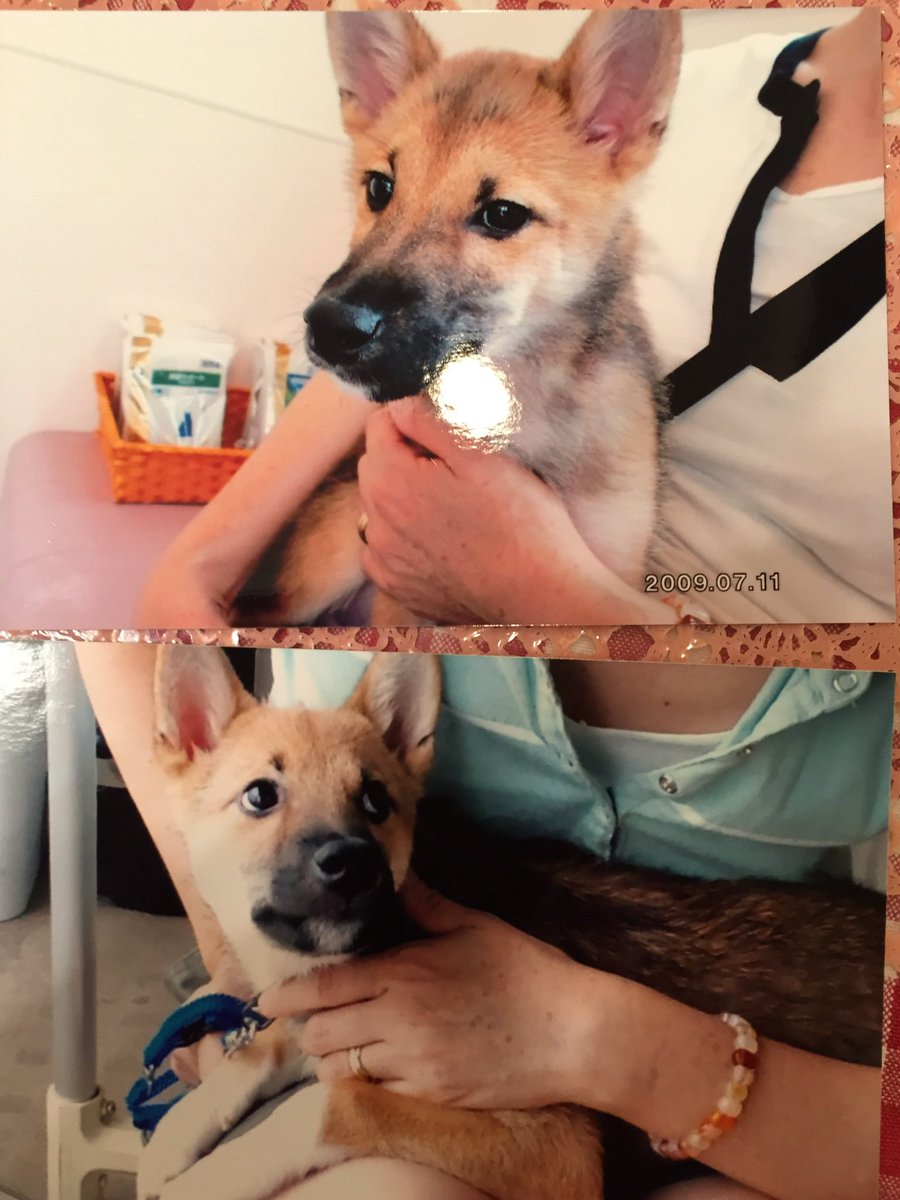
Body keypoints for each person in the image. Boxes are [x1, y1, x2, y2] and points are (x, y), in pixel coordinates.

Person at [134, 9, 893, 630]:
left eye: (498, 215)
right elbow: (374, 379)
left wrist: (524, 582)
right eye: (381, 190)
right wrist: (200, 562)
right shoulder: (700, 80)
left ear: (622, 131)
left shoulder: (612, 108)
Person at [76, 642, 891, 1200]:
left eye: (369, 801)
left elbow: (559, 1163)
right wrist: (233, 960)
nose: (338, 845)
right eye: (264, 797)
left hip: (810, 1102)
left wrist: (604, 1043)